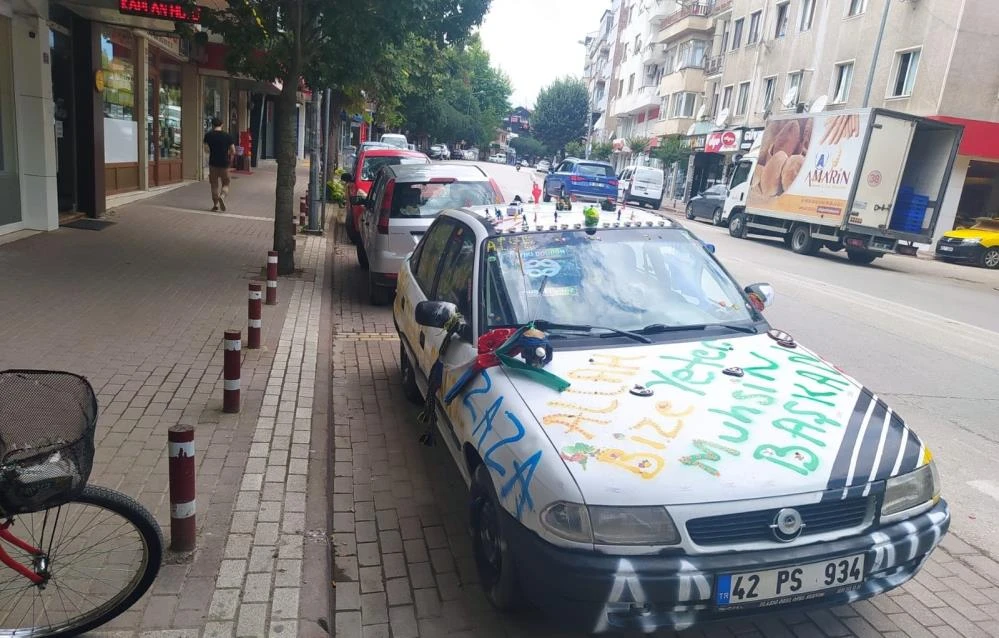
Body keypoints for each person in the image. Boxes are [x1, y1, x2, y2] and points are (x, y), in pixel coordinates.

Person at [203, 118, 235, 211]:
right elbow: (233, 151)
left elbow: (206, 150)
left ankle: (215, 204)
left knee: (214, 185)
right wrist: (227, 154)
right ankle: (223, 196)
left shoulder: (208, 135)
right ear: (222, 124)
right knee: (226, 183)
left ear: (212, 125)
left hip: (213, 163)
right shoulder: (227, 136)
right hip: (224, 163)